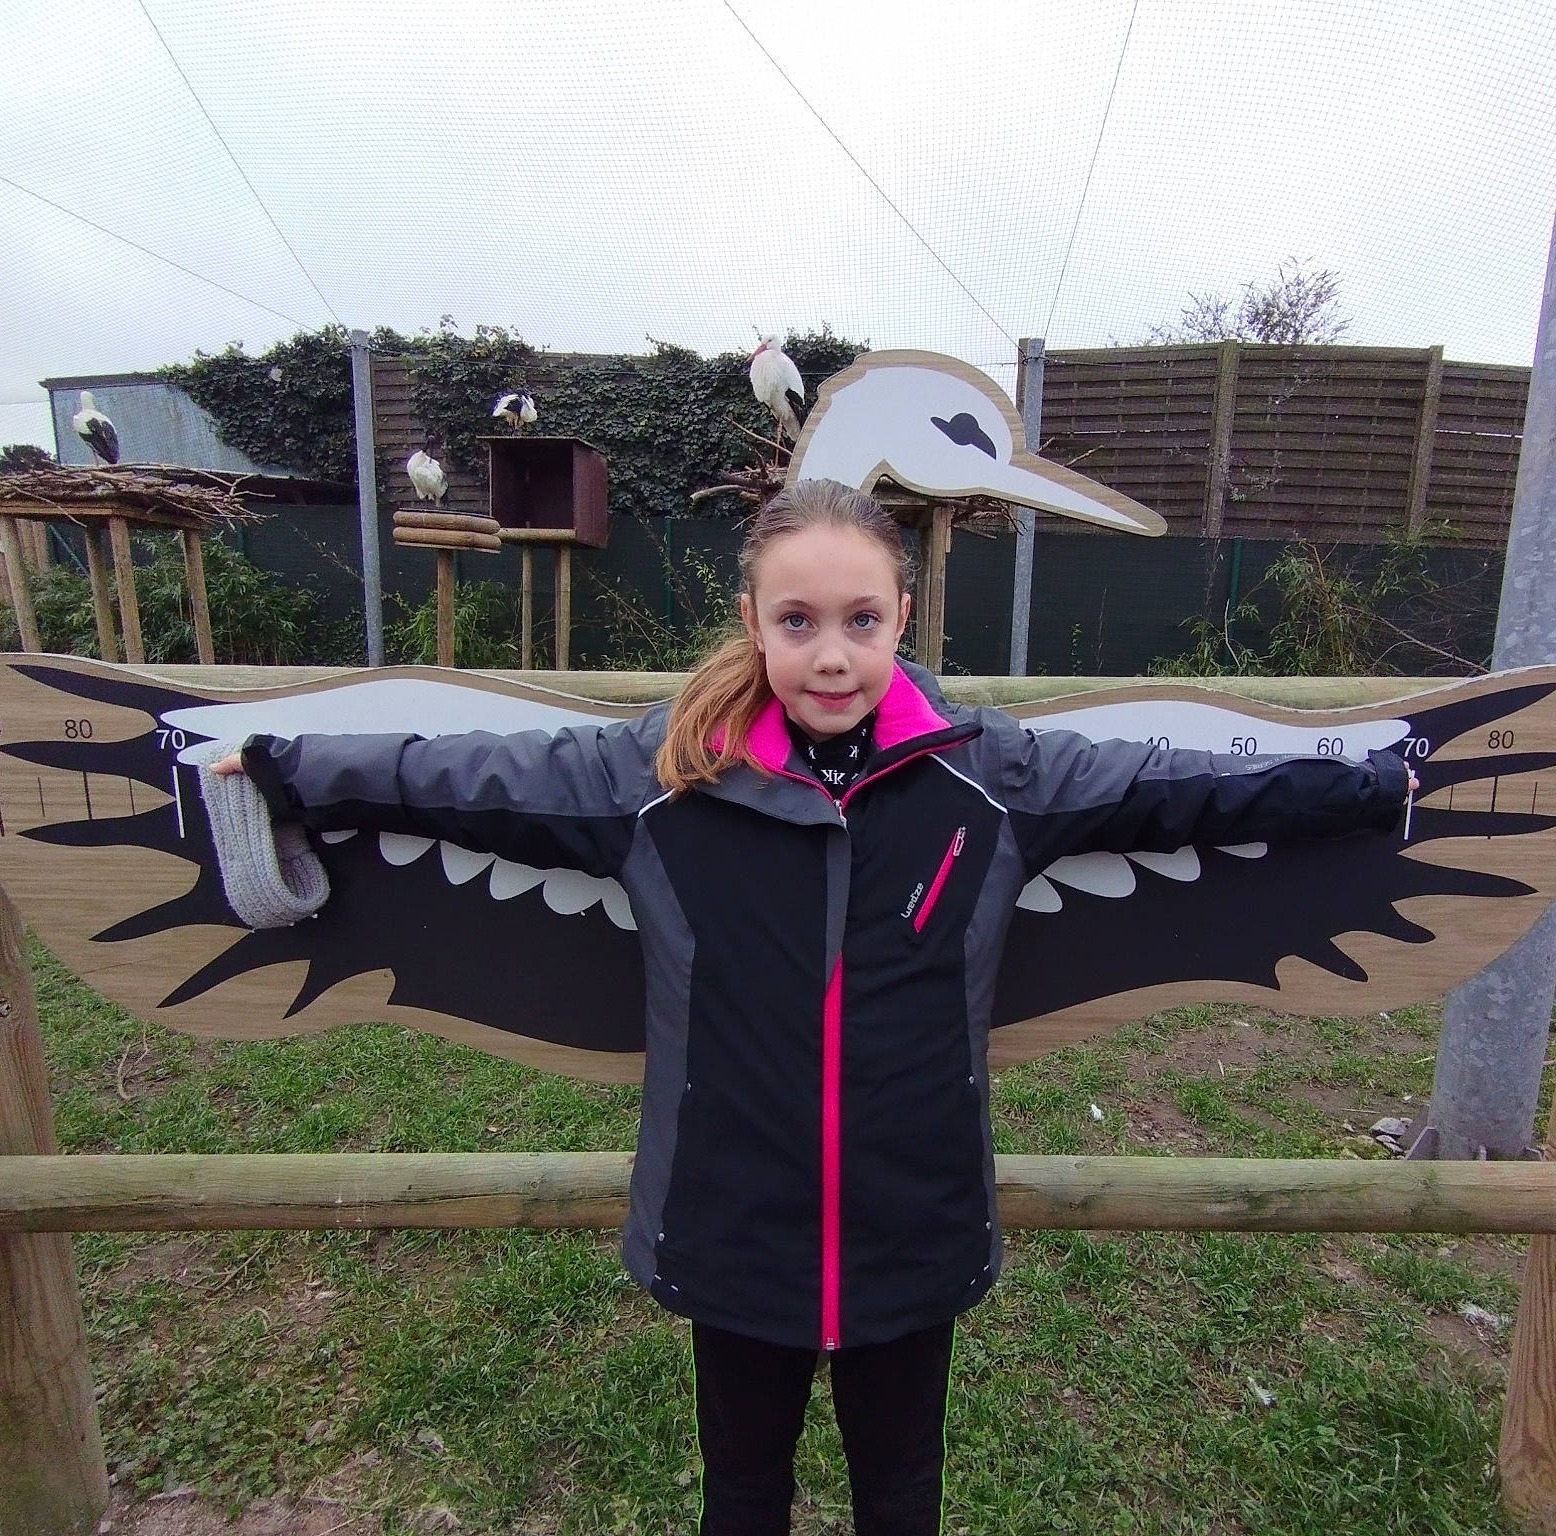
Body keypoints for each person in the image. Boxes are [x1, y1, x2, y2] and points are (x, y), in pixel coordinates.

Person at [206, 477, 1418, 1536]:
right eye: (796, 623)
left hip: (913, 1224)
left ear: (901, 617)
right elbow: (459, 777)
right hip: (732, 1225)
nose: (829, 657)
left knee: (901, 1496)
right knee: (741, 1498)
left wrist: (1368, 786)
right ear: (752, 625)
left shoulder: (988, 777)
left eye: (857, 621)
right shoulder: (659, 775)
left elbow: (1180, 790)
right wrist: (285, 769)